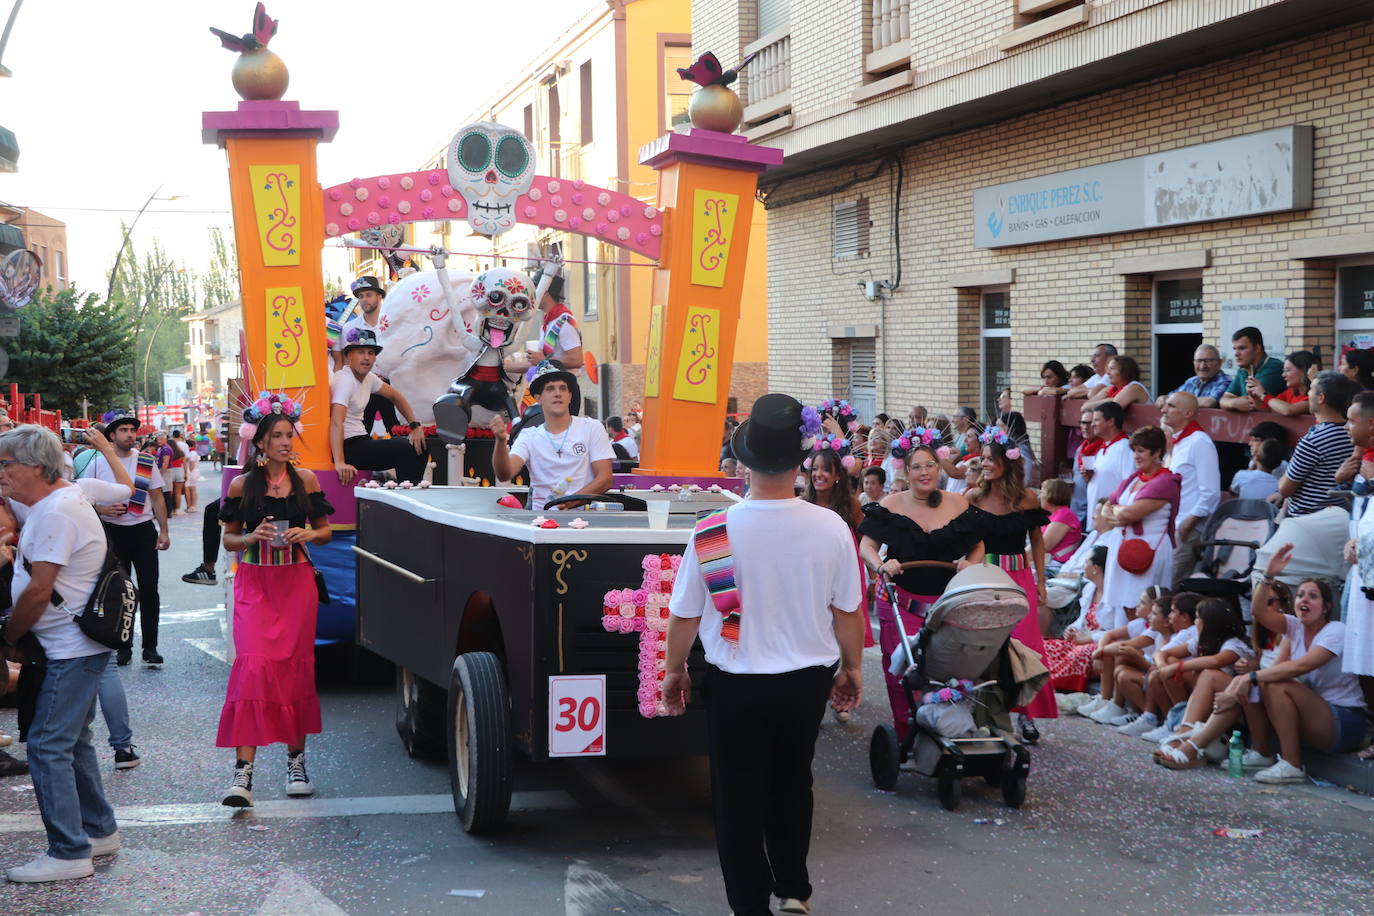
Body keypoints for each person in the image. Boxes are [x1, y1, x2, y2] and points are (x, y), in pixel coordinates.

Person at [661, 394, 863, 916]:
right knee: (793, 781)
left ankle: (750, 905)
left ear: (743, 462)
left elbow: (685, 614)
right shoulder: (830, 527)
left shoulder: (713, 530)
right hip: (804, 682)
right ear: (799, 463)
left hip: (736, 684)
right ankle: (794, 889)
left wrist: (673, 670)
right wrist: (853, 666)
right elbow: (846, 611)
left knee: (737, 797)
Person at [0, 426, 120, 883]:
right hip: (72, 646)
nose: (2, 474)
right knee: (74, 742)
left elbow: (38, 591)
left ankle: (69, 851)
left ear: (35, 466)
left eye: (6, 463)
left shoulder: (56, 512)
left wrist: (11, 634)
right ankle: (98, 830)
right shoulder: (58, 504)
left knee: (48, 745)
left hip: (70, 649)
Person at [1160, 547, 1367, 780]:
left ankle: (1292, 764)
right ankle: (1248, 749)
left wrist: (1248, 677)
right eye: (1300, 595)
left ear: (1327, 607)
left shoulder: (1336, 631)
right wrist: (1268, 575)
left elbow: (1301, 667)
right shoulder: (1295, 628)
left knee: (1272, 683)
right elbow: (1259, 612)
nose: (1304, 600)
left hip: (1344, 721)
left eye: (1313, 596)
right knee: (1248, 680)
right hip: (1310, 715)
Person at [217, 406, 334, 807]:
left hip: (295, 583)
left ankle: (296, 761)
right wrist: (252, 537)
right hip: (255, 583)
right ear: (261, 442)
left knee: (293, 670)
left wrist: (308, 532)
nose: (286, 442)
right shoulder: (242, 486)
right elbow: (228, 540)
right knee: (251, 668)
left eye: (290, 435)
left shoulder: (306, 480)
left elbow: (325, 531)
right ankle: (242, 774)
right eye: (278, 436)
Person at [858, 432, 984, 741]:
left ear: (940, 468)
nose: (924, 472)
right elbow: (867, 547)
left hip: (946, 604)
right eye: (917, 467)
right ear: (906, 471)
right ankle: (907, 733)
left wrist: (970, 564)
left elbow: (978, 545)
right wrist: (881, 565)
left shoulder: (957, 502)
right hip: (901, 602)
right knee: (902, 671)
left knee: (948, 669)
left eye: (930, 465)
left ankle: (947, 728)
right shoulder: (890, 503)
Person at [964, 426, 1058, 739]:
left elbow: (1038, 540)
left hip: (1019, 578)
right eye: (983, 458)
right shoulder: (973, 498)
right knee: (987, 646)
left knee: (1027, 645)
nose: (984, 464)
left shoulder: (1028, 498)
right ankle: (985, 709)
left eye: (991, 459)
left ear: (1008, 463)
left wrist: (1040, 580)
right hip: (985, 577)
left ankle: (1027, 715)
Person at [78, 412, 170, 667]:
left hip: (142, 531)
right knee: (119, 591)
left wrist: (164, 531)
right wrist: (103, 510)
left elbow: (158, 497)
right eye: (124, 430)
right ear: (112, 435)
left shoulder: (146, 460)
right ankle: (123, 645)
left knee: (149, 590)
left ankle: (150, 647)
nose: (130, 434)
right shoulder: (98, 463)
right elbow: (83, 500)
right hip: (113, 533)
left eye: (133, 429)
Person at [491, 361, 614, 511]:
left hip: (584, 520)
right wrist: (500, 441)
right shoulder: (529, 436)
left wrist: (569, 503)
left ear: (569, 396)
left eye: (563, 388)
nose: (557, 393)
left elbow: (605, 479)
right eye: (550, 389)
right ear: (538, 398)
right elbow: (505, 474)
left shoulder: (592, 427)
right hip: (541, 521)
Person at [1095, 427, 1181, 631]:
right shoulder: (1134, 478)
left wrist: (1118, 513)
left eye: (1141, 450)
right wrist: (1119, 513)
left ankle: (1140, 649)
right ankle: (1118, 643)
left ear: (1157, 452)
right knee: (1121, 603)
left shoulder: (1167, 482)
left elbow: (1129, 515)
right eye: (1134, 450)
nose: (1136, 456)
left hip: (1148, 549)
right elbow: (1108, 506)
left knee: (1140, 604)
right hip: (1122, 547)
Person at [329, 327, 429, 486]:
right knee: (406, 448)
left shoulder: (369, 378)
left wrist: (415, 426)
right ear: (349, 356)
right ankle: (407, 496)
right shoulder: (344, 380)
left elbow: (396, 396)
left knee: (419, 444)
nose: (366, 358)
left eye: (371, 353)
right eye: (361, 352)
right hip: (348, 446)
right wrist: (340, 462)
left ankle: (410, 492)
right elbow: (336, 422)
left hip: (361, 441)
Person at [1271, 371, 1356, 516]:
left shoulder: (1313, 441)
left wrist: (1285, 475)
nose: (1308, 394)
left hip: (1306, 519)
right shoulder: (1354, 433)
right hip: (1341, 517)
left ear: (1321, 398)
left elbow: (1285, 489)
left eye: (1311, 390)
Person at [1160, 391, 1220, 588]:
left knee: (1171, 585)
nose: (1164, 409)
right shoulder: (1180, 442)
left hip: (1185, 527)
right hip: (1171, 526)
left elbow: (1211, 492)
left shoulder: (1199, 442)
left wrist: (1189, 523)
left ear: (1187, 413)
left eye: (1171, 406)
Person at [1341, 391, 1374, 731]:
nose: (1347, 426)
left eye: (1352, 420)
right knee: (1362, 652)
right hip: (1359, 564)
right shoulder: (1362, 456)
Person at [1083, 402, 1132, 516]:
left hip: (1111, 520)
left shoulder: (1125, 447)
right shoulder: (1104, 448)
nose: (1092, 424)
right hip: (1098, 520)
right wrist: (1089, 477)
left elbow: (1129, 484)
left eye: (1096, 420)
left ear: (1110, 421)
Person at [1219, 326, 1285, 411]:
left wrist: (1232, 402)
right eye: (1235, 349)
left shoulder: (1273, 367)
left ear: (1257, 348)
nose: (1236, 354)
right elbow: (1224, 400)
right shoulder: (1243, 369)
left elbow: (1253, 403)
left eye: (1242, 348)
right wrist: (1233, 403)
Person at [1154, 344, 1232, 409]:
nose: (1202, 366)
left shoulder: (1225, 381)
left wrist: (1173, 401)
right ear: (1194, 363)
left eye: (1208, 361)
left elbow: (1208, 402)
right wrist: (1163, 398)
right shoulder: (1192, 381)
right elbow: (1171, 396)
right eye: (1199, 361)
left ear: (1219, 363)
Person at [1040, 478, 1082, 570]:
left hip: (1055, 566)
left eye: (1042, 492)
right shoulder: (1053, 515)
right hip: (1048, 563)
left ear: (1053, 495)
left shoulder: (1064, 515)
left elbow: (1042, 546)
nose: (1040, 496)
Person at [1083, 355, 1150, 411]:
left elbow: (1113, 408)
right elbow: (1085, 407)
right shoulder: (1109, 389)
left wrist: (1111, 401)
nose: (1107, 373)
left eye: (1112, 369)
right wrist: (1108, 400)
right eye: (1108, 369)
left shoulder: (1134, 387)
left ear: (1125, 372)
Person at [1264, 350, 1318, 416]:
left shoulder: (1314, 396)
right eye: (1284, 371)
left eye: (1287, 370)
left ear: (1304, 371)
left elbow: (1288, 410)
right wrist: (1255, 395)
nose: (1283, 375)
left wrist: (1264, 395)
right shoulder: (1290, 392)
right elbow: (1268, 408)